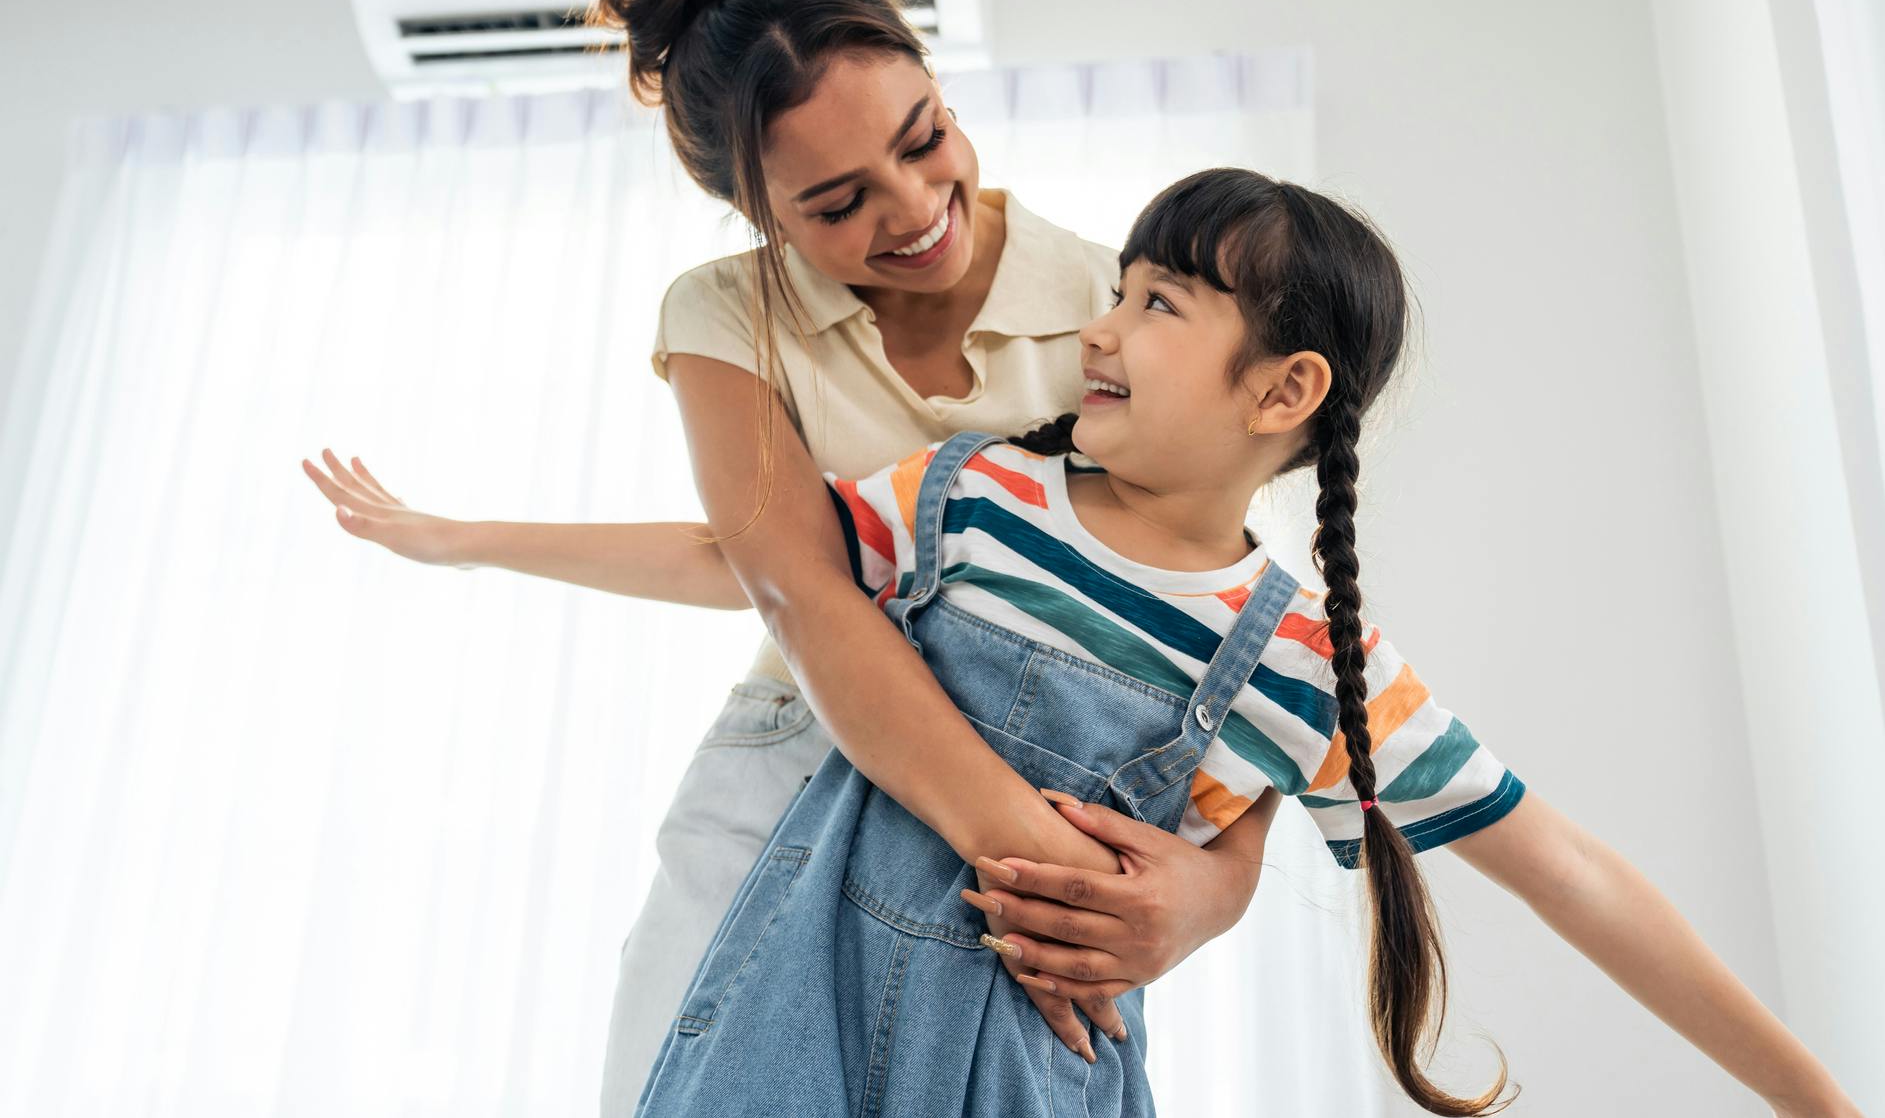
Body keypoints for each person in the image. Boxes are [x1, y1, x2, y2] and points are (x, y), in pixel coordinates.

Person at [617, 167, 1858, 1117]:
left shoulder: (1313, 661)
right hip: (799, 1016)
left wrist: (1820, 1102)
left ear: (1281, 393)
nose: (1099, 327)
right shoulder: (969, 496)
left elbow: (1569, 873)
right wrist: (460, 542)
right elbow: (752, 560)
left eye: (1155, 302)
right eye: (1116, 291)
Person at [300, 0, 1285, 1109]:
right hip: (814, 766)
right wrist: (461, 539)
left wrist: (1212, 890)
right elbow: (788, 578)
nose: (916, 208)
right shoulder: (730, 314)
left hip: (1044, 793)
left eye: (925, 139)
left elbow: (1219, 600)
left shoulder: (1104, 302)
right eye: (835, 203)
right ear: (758, 215)